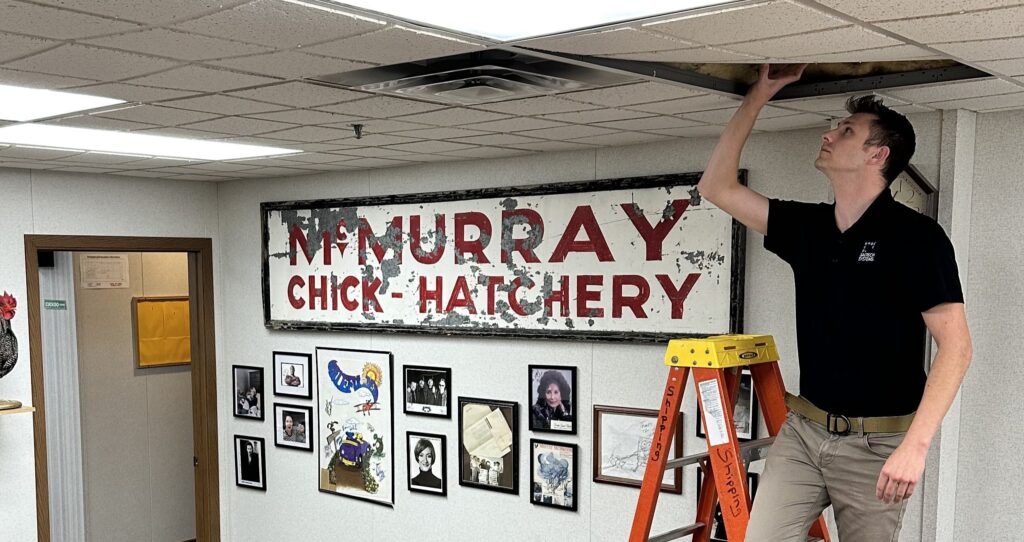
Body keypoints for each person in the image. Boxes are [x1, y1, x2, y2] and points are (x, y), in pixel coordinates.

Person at [696, 64, 972, 541]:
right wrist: (757, 96)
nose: (829, 135)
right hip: (804, 431)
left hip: (878, 444)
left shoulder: (917, 238)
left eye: (846, 131)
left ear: (877, 155)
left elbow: (957, 348)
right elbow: (716, 186)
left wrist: (916, 446)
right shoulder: (809, 229)